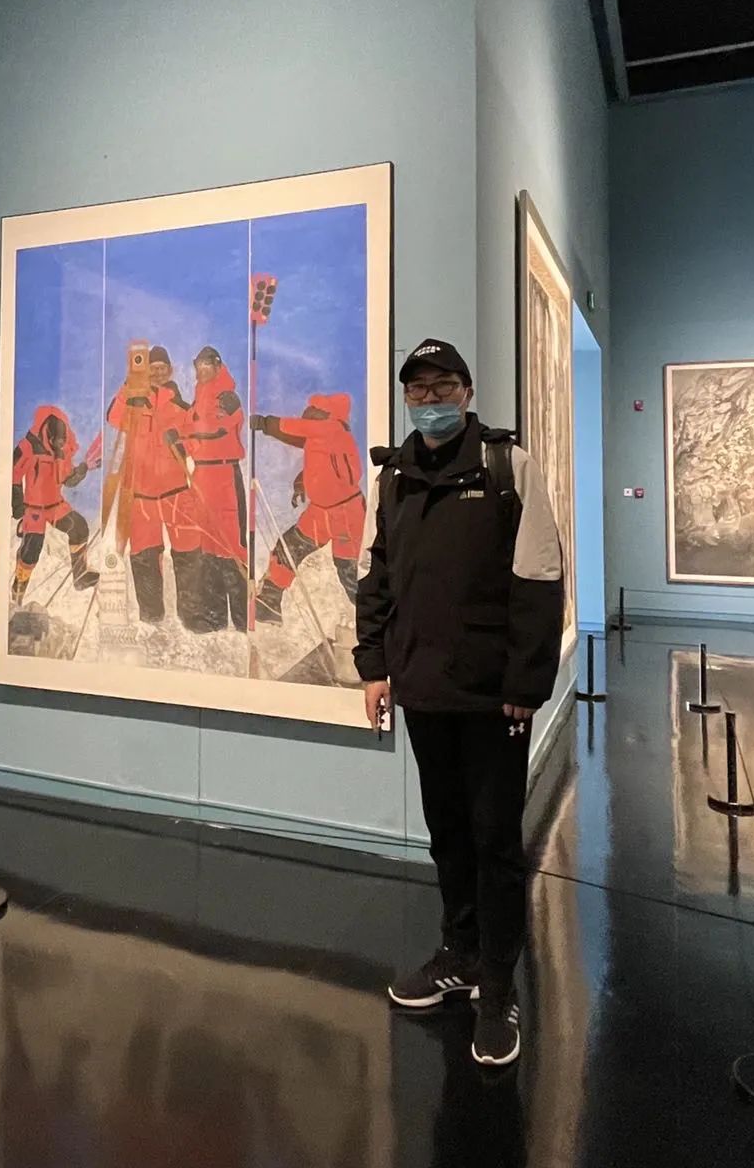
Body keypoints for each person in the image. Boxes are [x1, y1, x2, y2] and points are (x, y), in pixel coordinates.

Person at [355, 339, 563, 1069]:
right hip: (422, 690)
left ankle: (498, 984)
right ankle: (461, 953)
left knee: (495, 839)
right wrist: (374, 668)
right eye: (417, 391)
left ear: (467, 393)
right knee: (446, 832)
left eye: (443, 387)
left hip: (493, 700)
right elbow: (374, 577)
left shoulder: (509, 467)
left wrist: (525, 686)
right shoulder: (392, 477)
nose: (430, 401)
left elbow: (539, 579)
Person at [107, 346, 201, 626]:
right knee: (144, 556)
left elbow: (198, 438)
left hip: (176, 493)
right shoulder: (134, 403)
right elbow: (113, 417)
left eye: (163, 368)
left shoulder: (181, 407)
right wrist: (129, 385)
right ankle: (152, 620)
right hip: (142, 496)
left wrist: (183, 445)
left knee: (188, 552)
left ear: (170, 371)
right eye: (153, 368)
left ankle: (192, 618)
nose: (158, 373)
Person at [249, 393, 364, 621]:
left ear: (324, 413)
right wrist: (303, 483)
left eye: (312, 409)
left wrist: (265, 423)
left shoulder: (332, 428)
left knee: (349, 571)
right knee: (288, 548)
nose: (306, 412)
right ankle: (269, 604)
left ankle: (375, 619)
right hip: (321, 513)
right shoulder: (323, 436)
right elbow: (317, 457)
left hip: (346, 515)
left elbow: (294, 428)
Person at [176, 346, 247, 633]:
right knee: (207, 546)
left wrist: (186, 435)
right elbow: (190, 432)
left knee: (231, 547)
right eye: (198, 365)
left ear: (218, 365)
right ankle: (215, 621)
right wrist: (179, 438)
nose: (202, 370)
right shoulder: (198, 399)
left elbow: (221, 428)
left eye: (207, 365)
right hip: (202, 476)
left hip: (224, 475)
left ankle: (243, 621)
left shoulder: (226, 395)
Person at [11, 405, 98, 605]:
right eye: (57, 441)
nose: (60, 445)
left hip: (56, 505)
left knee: (79, 527)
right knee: (32, 549)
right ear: (48, 435)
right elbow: (13, 473)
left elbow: (67, 479)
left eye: (62, 441)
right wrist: (17, 505)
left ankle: (80, 576)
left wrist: (82, 470)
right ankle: (18, 590)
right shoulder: (28, 446)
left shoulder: (63, 450)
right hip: (33, 508)